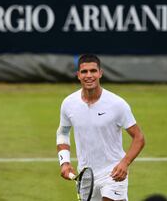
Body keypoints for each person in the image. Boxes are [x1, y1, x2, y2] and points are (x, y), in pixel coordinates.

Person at [56, 54, 145, 201]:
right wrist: (64, 162)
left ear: (100, 73)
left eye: (93, 71)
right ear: (78, 75)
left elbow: (139, 137)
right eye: (84, 72)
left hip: (113, 173)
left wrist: (125, 163)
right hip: (85, 176)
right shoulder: (68, 103)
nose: (89, 75)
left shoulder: (117, 104)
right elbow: (62, 133)